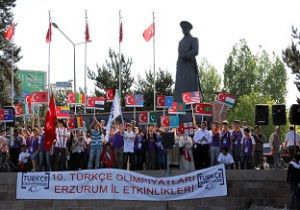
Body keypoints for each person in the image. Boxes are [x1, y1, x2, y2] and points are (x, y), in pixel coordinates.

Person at [174, 21, 201, 102]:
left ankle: (191, 105)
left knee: (190, 85)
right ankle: (179, 104)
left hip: (189, 66)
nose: (184, 30)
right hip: (181, 67)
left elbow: (195, 51)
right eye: (183, 29)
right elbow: (179, 53)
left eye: (185, 28)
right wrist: (184, 55)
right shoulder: (180, 42)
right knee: (180, 87)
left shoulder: (194, 40)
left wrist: (185, 55)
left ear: (189, 29)